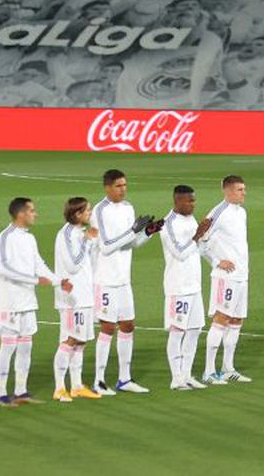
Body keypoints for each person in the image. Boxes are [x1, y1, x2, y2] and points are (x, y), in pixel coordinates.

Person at [0, 197, 71, 407]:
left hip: (28, 301)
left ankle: (20, 391)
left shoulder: (29, 239)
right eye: (32, 211)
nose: (36, 214)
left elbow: (39, 264)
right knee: (8, 347)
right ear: (21, 214)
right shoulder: (4, 238)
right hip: (9, 302)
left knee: (26, 347)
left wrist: (58, 281)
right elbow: (4, 269)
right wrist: (35, 280)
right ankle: (1, 393)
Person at [92, 169, 161, 396]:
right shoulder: (100, 210)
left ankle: (124, 378)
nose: (123, 189)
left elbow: (131, 244)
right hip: (105, 279)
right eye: (119, 186)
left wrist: (148, 232)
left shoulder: (129, 208)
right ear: (108, 188)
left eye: (124, 185)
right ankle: (99, 380)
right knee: (107, 327)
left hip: (123, 279)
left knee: (128, 325)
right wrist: (133, 230)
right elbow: (106, 246)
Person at [198, 175, 251, 384]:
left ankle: (228, 368)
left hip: (241, 275)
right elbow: (200, 241)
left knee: (237, 320)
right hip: (225, 277)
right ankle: (209, 371)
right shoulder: (217, 213)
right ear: (227, 192)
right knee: (221, 319)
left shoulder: (242, 212)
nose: (244, 193)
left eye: (244, 189)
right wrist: (216, 261)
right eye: (239, 189)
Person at [161, 185, 212, 390]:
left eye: (194, 200)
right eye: (189, 201)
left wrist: (203, 237)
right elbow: (180, 252)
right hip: (177, 286)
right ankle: (176, 378)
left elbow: (196, 249)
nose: (193, 204)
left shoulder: (190, 219)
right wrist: (198, 234)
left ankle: (187, 375)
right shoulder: (167, 224)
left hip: (194, 285)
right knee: (177, 331)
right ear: (178, 201)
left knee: (194, 330)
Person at [52, 197, 102, 402]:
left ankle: (77, 386)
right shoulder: (65, 235)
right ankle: (59, 388)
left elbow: (87, 264)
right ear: (77, 214)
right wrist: (87, 242)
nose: (90, 214)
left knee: (80, 342)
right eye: (87, 211)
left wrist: (88, 241)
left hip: (84, 296)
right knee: (69, 340)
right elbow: (72, 265)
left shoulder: (79, 233)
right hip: (72, 299)